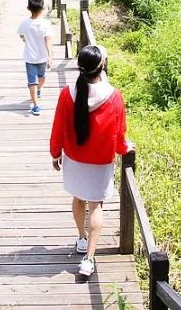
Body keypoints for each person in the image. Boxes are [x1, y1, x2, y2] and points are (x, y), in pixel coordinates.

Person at [49, 44, 132, 278]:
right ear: (102, 66)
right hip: (100, 160)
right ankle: (88, 258)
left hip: (74, 158)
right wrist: (124, 148)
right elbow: (119, 133)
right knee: (96, 205)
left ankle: (82, 238)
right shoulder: (113, 96)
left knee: (78, 198)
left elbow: (58, 126)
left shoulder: (68, 93)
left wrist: (55, 152)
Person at [16, 0, 52, 116]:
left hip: (33, 57)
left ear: (28, 8)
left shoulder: (25, 23)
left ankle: (37, 90)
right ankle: (36, 105)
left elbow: (21, 35)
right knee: (37, 80)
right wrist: (50, 56)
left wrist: (25, 39)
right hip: (40, 57)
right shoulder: (46, 24)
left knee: (37, 80)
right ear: (43, 8)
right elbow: (48, 40)